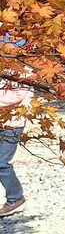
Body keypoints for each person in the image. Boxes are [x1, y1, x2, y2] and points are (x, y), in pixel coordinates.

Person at [0, 71, 32, 217]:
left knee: (2, 162)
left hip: (12, 125)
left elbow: (16, 96)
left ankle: (15, 198)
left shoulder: (24, 71)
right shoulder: (5, 66)